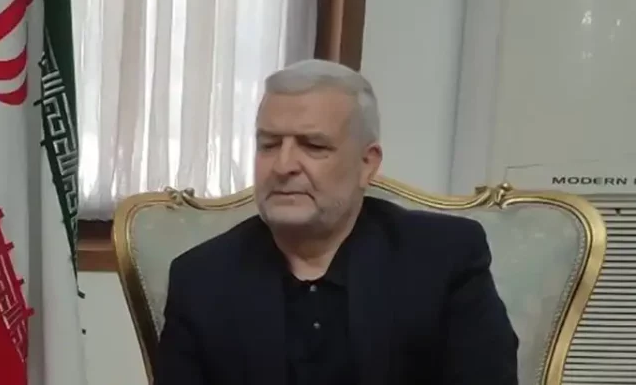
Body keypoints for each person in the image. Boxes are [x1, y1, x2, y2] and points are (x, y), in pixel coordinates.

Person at [154, 59, 519, 385]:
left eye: (314, 146)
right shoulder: (201, 280)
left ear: (367, 163)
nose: (283, 166)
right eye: (269, 144)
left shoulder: (443, 260)